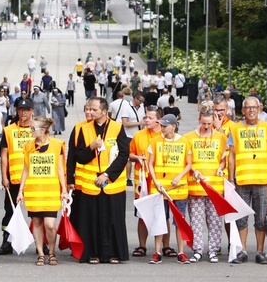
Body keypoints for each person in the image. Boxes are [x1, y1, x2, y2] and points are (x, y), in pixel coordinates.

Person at [69, 97, 130, 264]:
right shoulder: (83, 129)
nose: (90, 112)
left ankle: (113, 254)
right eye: (89, 109)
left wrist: (108, 174)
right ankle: (92, 253)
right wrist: (91, 147)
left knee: (113, 219)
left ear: (104, 112)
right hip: (90, 184)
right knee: (92, 221)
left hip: (112, 183)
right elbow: (78, 157)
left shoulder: (117, 128)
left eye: (94, 109)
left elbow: (124, 155)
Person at [227, 97, 267, 264]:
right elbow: (231, 155)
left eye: (254, 107)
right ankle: (242, 250)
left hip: (262, 180)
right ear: (243, 110)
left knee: (261, 219)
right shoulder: (235, 129)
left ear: (260, 109)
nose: (251, 111)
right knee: (241, 218)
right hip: (242, 180)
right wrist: (231, 179)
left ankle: (260, 251)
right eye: (248, 108)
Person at [17, 116, 67, 266]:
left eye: (33, 129)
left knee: (50, 225)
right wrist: (21, 190)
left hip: (50, 191)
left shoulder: (57, 145)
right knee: (37, 222)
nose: (30, 131)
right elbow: (25, 169)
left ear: (43, 131)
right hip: (34, 191)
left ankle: (51, 252)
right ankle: (40, 253)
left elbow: (60, 169)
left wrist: (63, 189)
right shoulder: (28, 146)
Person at [146, 114, 192, 265]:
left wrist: (179, 176)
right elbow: (150, 164)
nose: (163, 128)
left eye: (165, 126)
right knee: (160, 220)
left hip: (179, 188)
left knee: (179, 221)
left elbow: (189, 164)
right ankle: (157, 252)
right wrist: (156, 181)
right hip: (161, 189)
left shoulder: (185, 142)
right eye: (162, 125)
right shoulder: (155, 142)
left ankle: (181, 252)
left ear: (174, 126)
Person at [185, 107, 227, 263]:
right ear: (199, 121)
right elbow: (186, 160)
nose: (207, 126)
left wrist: (221, 167)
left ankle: (213, 250)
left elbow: (223, 158)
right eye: (204, 123)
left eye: (209, 123)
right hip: (196, 185)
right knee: (196, 220)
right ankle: (197, 250)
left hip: (215, 186)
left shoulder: (220, 138)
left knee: (215, 220)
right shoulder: (189, 138)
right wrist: (194, 169)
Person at [0, 98, 35, 255]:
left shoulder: (37, 129)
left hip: (34, 178)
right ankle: (6, 241)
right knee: (10, 211)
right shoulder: (9, 130)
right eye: (20, 110)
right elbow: (4, 155)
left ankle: (42, 242)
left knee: (37, 212)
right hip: (14, 178)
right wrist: (4, 176)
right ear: (16, 111)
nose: (23, 112)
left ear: (32, 111)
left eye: (26, 110)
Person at [129, 105, 164, 257]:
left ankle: (166, 246)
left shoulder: (165, 135)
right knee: (141, 215)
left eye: (150, 117)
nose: (146, 120)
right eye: (145, 117)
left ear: (159, 120)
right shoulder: (139, 135)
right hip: (142, 182)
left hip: (160, 182)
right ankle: (142, 246)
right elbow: (129, 154)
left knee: (163, 216)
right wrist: (137, 157)